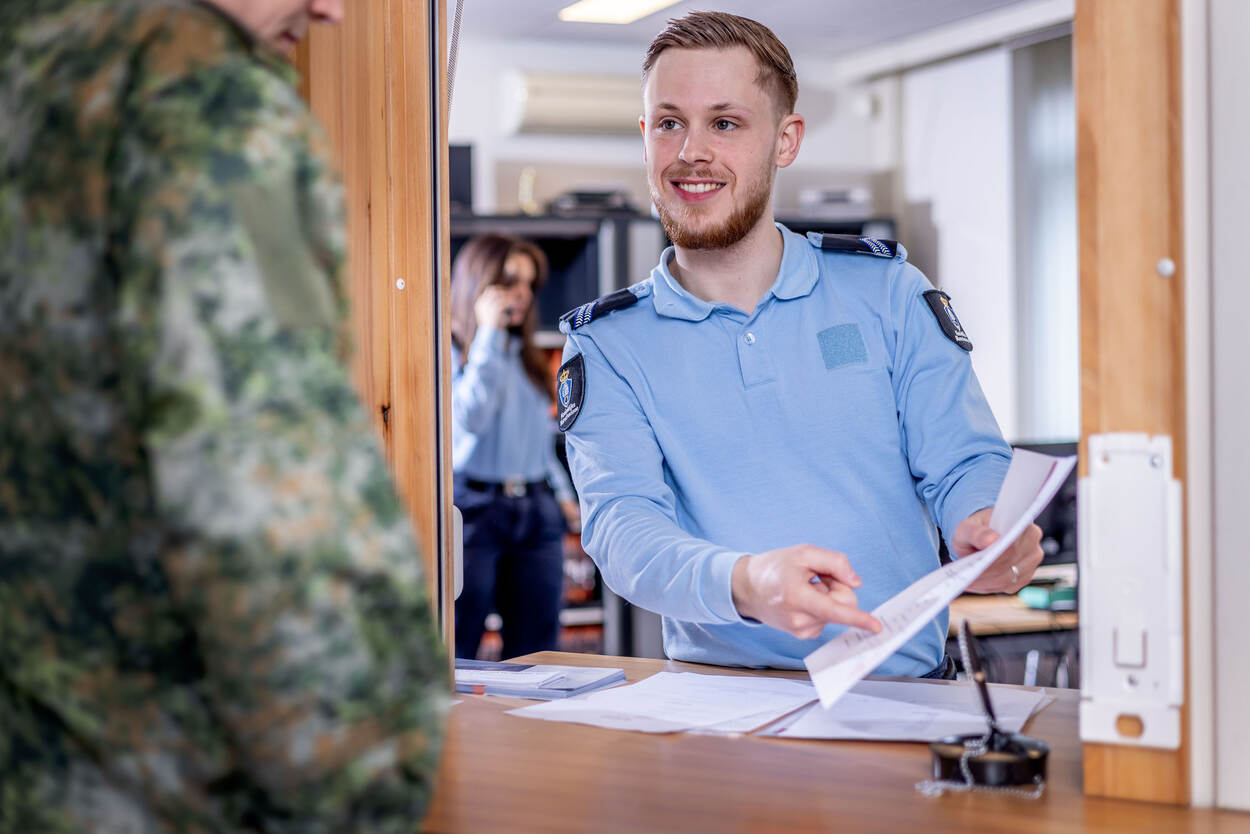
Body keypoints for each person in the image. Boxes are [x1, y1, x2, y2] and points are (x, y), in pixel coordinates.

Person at [0, 1, 447, 831]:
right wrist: (368, 784)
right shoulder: (203, 103)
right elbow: (266, 498)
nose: (330, 9)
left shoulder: (30, 60)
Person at [556, 11, 1043, 676]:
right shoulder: (607, 343)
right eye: (670, 123)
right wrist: (747, 583)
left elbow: (964, 460)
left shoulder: (887, 291)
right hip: (716, 704)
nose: (691, 151)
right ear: (646, 137)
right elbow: (623, 529)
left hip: (902, 695)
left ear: (785, 141)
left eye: (725, 123)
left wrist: (984, 524)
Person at [450, 234, 581, 661]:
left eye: (528, 283)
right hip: (474, 510)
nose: (522, 294)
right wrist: (487, 332)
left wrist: (563, 495)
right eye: (510, 281)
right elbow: (470, 420)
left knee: (537, 652)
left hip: (536, 510)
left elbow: (539, 443)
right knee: (459, 645)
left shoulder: (524, 354)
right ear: (479, 284)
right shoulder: (449, 350)